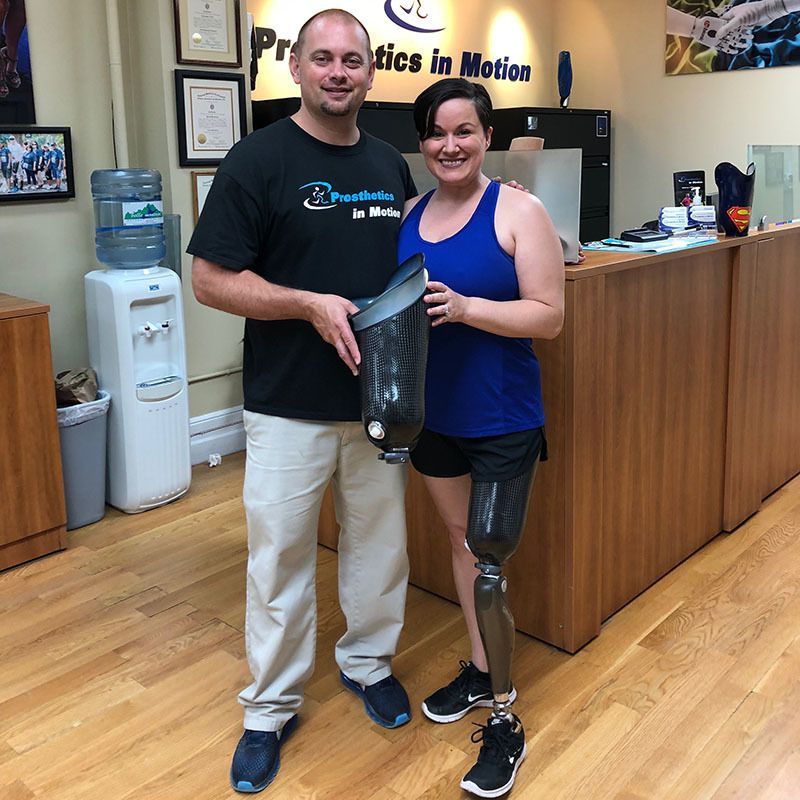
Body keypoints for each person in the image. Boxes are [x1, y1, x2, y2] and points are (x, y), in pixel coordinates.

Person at [187, 9, 417, 795]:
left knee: (380, 550)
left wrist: (493, 196)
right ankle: (271, 706)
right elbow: (211, 280)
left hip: (379, 401)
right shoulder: (256, 161)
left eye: (353, 59)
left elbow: (421, 252)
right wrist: (308, 305)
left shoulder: (390, 162)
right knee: (279, 559)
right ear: (296, 66)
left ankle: (366, 663)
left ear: (370, 71)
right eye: (323, 58)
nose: (339, 72)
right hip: (286, 403)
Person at [397, 78, 565, 798]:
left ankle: (504, 719)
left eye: (463, 131)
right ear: (423, 142)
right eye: (436, 132)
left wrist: (468, 308)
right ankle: (478, 665)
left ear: (486, 137)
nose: (449, 145)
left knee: (490, 562)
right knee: (461, 541)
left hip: (501, 416)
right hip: (433, 415)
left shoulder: (520, 211)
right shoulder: (408, 213)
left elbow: (548, 316)